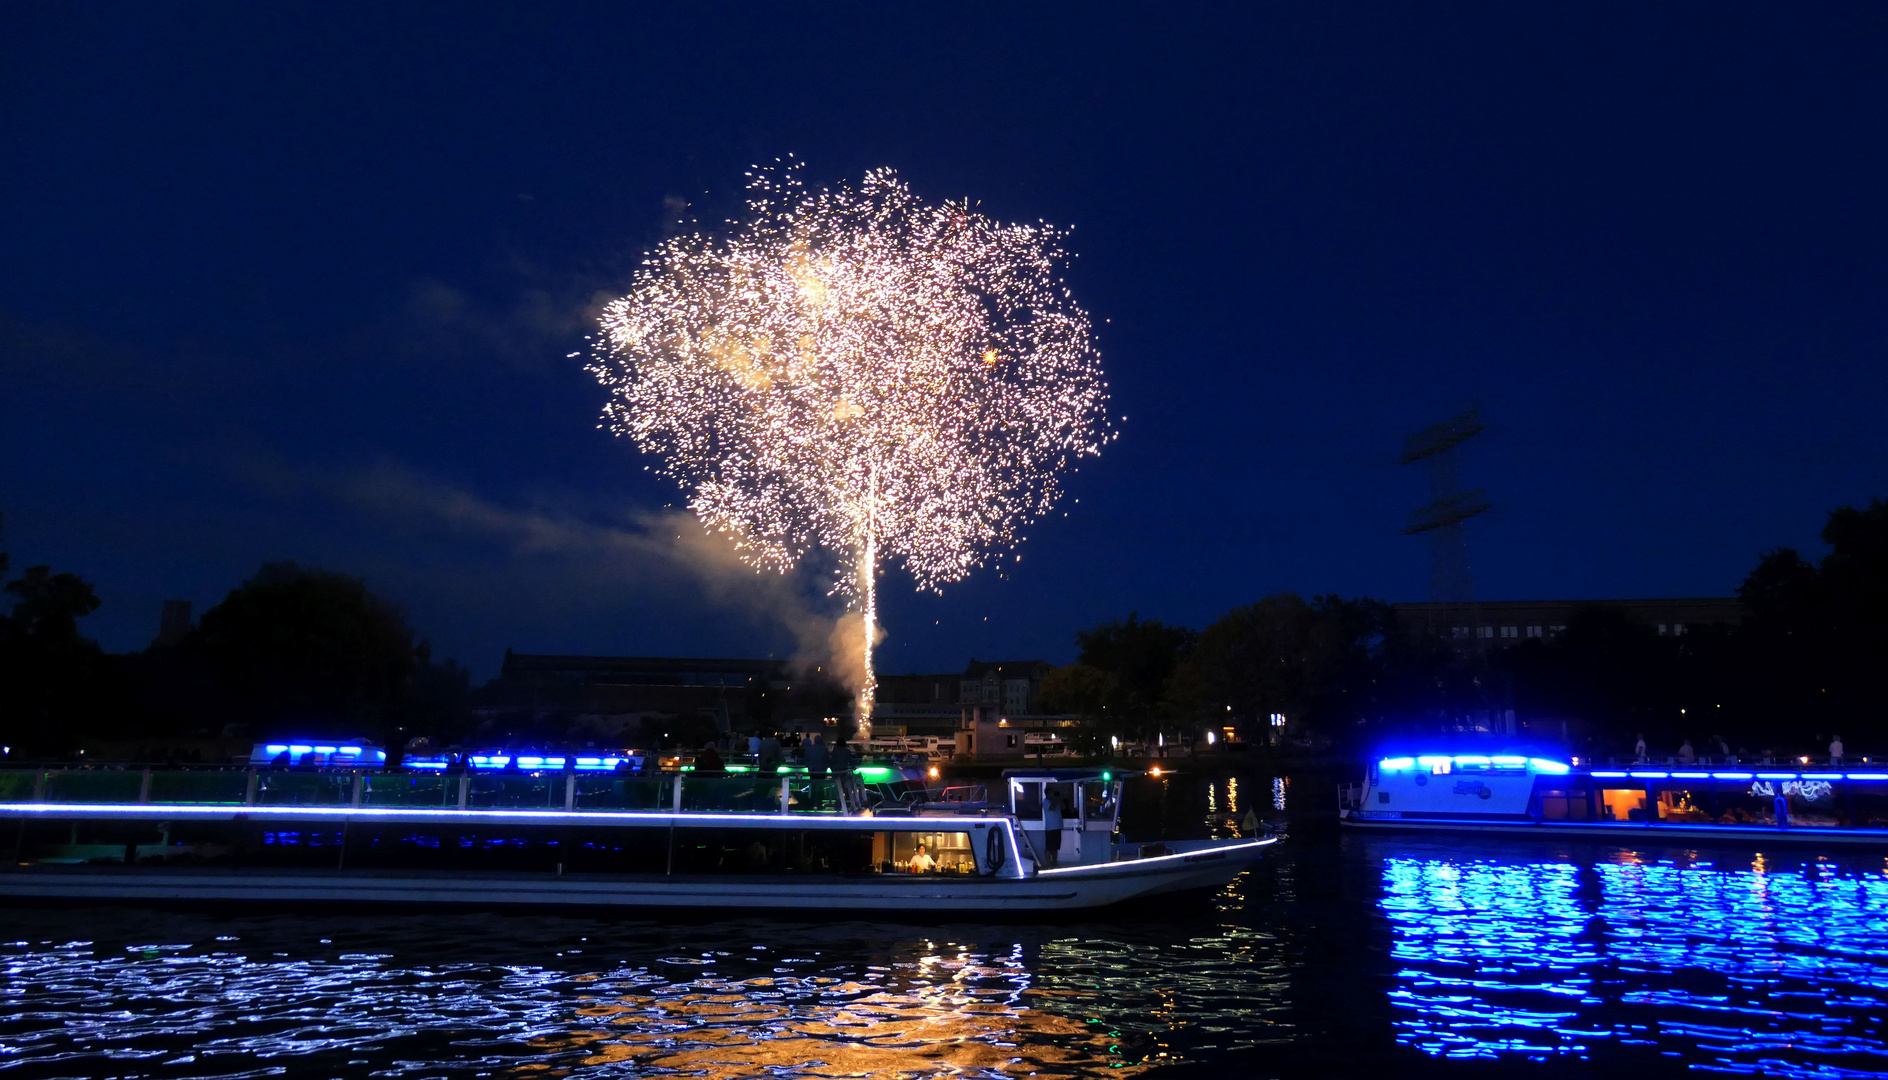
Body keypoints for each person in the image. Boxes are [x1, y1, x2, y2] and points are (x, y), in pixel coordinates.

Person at [1043, 797, 1064, 867]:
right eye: (1051, 793)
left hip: (1057, 827)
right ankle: (1048, 864)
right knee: (1049, 847)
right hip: (1050, 828)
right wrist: (1054, 800)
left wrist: (1059, 800)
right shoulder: (1046, 802)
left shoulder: (1056, 802)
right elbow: (1051, 808)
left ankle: (1055, 862)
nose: (1053, 795)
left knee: (1055, 847)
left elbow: (1063, 808)